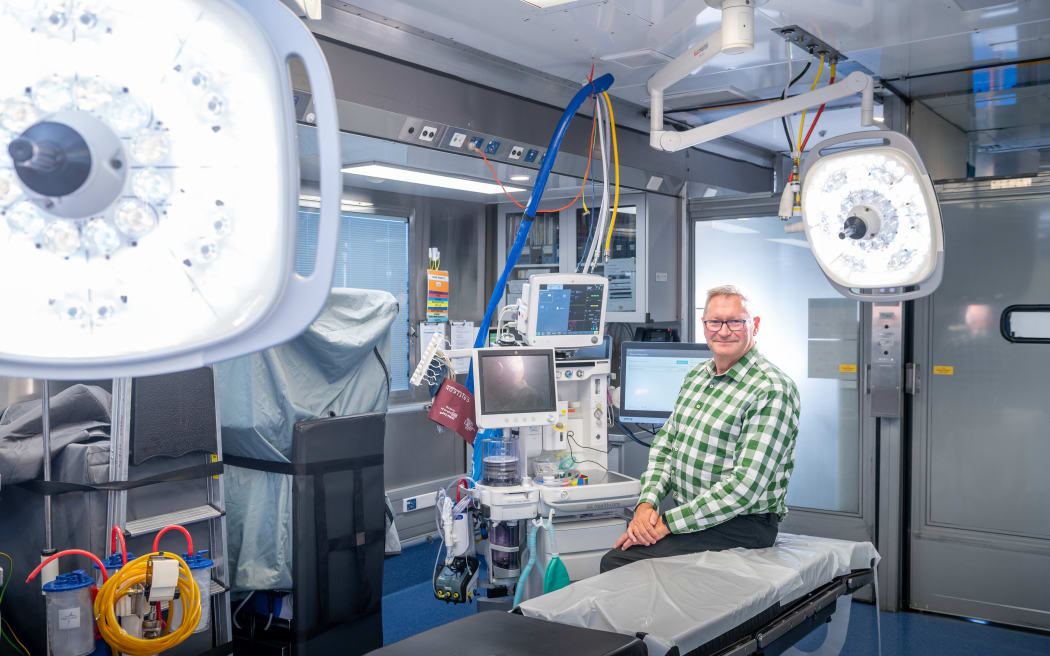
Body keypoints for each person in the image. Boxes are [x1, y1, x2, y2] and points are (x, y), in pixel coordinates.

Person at [600, 285, 800, 572]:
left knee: (619, 562)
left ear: (754, 326)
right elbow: (666, 447)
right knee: (623, 551)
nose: (724, 331)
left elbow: (745, 487)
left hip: (743, 524)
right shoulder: (697, 376)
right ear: (704, 326)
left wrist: (667, 523)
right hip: (697, 516)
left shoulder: (771, 388)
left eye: (735, 321)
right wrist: (646, 504)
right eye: (715, 322)